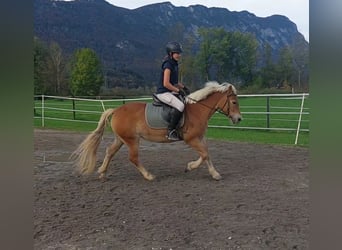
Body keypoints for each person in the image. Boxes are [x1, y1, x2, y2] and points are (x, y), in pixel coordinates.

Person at [155, 41, 188, 140]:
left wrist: (184, 88)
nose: (179, 55)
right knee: (180, 105)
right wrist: (177, 90)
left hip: (169, 91)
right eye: (177, 53)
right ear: (171, 54)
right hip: (163, 92)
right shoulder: (168, 65)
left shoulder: (174, 64)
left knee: (185, 100)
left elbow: (174, 82)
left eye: (179, 53)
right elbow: (166, 83)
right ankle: (170, 130)